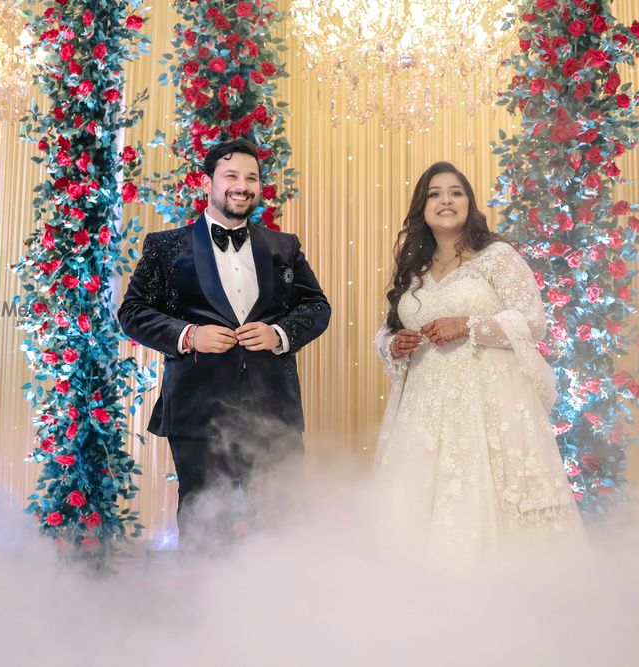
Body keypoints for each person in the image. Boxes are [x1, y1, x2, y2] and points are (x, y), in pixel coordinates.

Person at [118, 139, 330, 547]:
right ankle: (202, 591)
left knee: (280, 522)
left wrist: (278, 334)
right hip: (198, 409)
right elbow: (133, 311)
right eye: (231, 175)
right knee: (203, 527)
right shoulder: (165, 247)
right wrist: (189, 335)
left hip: (273, 408)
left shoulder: (284, 247)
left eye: (252, 178)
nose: (242, 186)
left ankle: (277, 590)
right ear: (207, 183)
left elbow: (316, 307)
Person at [373, 161, 583, 560]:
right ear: (422, 207)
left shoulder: (497, 257)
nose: (446, 200)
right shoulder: (414, 269)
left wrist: (468, 326)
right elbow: (386, 330)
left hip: (488, 406)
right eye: (434, 194)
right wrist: (393, 344)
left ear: (469, 203)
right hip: (423, 412)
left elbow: (533, 322)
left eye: (456, 192)